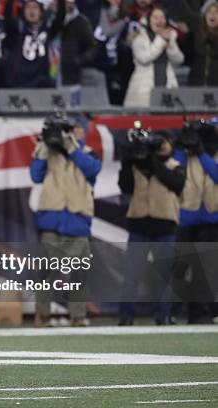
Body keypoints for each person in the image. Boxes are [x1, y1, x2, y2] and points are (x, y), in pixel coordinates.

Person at [30, 115, 101, 327]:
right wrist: (44, 145)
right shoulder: (49, 153)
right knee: (46, 273)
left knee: (79, 273)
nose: (72, 132)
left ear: (83, 132)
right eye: (70, 129)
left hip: (77, 220)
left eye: (76, 129)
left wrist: (71, 146)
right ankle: (42, 316)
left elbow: (91, 170)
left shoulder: (88, 154)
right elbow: (35, 175)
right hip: (52, 218)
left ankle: (78, 316)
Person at [118, 127, 186, 326]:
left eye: (164, 142)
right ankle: (126, 316)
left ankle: (163, 314)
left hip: (164, 226)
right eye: (159, 142)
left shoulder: (175, 165)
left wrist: (152, 160)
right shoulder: (137, 165)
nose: (162, 146)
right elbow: (125, 186)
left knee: (164, 274)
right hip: (139, 225)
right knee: (131, 274)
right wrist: (128, 161)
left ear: (171, 145)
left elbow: (174, 182)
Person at [173, 118, 218, 323]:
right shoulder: (186, 154)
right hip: (187, 217)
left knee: (207, 268)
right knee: (182, 268)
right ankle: (187, 313)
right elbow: (176, 170)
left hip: (212, 218)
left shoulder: (208, 155)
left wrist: (201, 153)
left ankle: (209, 312)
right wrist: (184, 145)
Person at [123, 5, 184, 107]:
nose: (159, 21)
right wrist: (161, 41)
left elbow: (178, 60)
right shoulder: (138, 38)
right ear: (148, 20)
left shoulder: (169, 37)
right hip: (143, 92)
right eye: (155, 17)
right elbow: (144, 58)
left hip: (166, 88)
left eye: (162, 17)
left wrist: (171, 44)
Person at [1, 0, 66, 89]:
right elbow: (7, 18)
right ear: (23, 11)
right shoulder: (18, 31)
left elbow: (60, 16)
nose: (31, 11)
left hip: (43, 82)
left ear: (41, 12)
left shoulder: (49, 30)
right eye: (28, 7)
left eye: (35, 7)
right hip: (19, 82)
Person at [58, 0, 98, 87]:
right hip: (49, 74)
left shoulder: (81, 22)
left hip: (71, 74)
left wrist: (78, 60)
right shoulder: (50, 19)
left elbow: (92, 47)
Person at [184, 0, 218, 86]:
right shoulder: (195, 34)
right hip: (196, 82)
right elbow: (186, 57)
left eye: (216, 12)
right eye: (209, 12)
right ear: (204, 15)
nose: (212, 15)